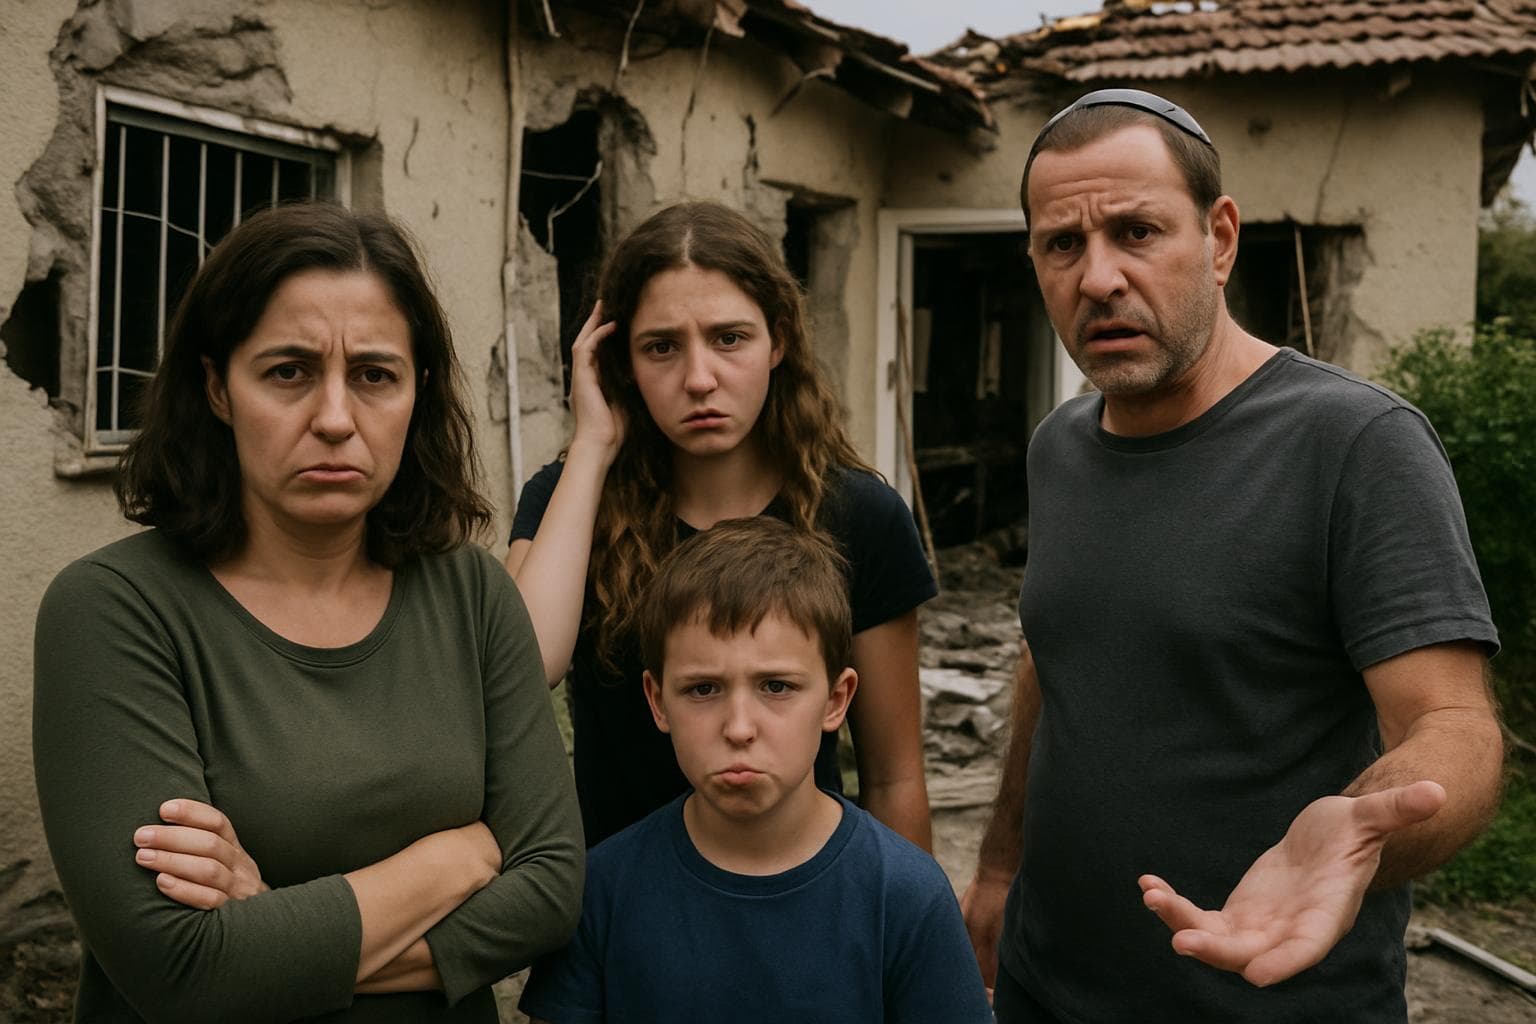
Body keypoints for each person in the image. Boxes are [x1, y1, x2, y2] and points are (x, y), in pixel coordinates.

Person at [959, 89, 1504, 1023]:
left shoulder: (1355, 444)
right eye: (1063, 244)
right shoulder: (1058, 447)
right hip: (1048, 986)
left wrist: (1361, 837)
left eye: (1136, 231)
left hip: (1266, 997)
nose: (1098, 278)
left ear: (1219, 239)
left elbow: (1459, 727)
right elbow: (1053, 656)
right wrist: (1001, 865)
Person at [32, 203, 584, 1022]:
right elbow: (182, 970)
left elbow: (550, 890)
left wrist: (271, 925)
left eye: (374, 374)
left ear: (417, 391)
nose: (334, 418)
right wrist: (456, 858)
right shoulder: (115, 611)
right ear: (218, 387)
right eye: (288, 371)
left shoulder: (471, 593)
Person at [506, 201, 936, 849]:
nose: (699, 378)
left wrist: (905, 936)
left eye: (729, 338)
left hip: (801, 899)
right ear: (619, 360)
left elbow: (894, 777)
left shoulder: (859, 516)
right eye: (661, 348)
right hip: (616, 913)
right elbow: (524, 664)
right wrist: (592, 443)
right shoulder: (570, 498)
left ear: (779, 341)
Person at [518, 517, 992, 1023]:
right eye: (703, 689)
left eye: (776, 687)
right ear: (657, 702)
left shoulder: (905, 896)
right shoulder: (602, 894)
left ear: (836, 700)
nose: (739, 727)